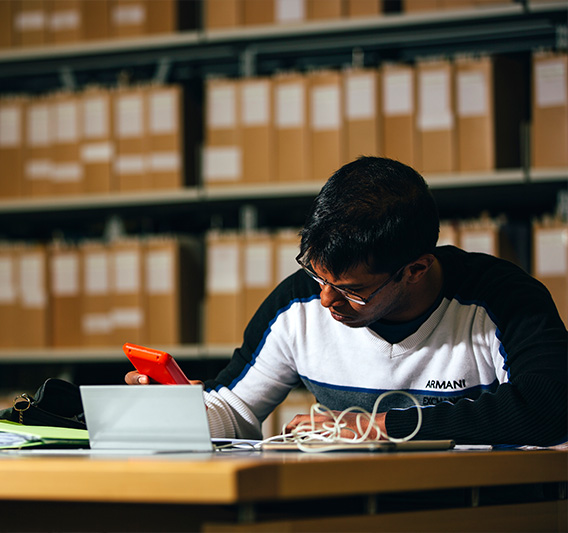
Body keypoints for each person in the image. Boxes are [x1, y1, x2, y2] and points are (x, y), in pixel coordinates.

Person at [126, 156, 567, 446]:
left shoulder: (502, 300)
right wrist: (175, 413)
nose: (325, 299)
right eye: (316, 274)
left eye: (354, 290)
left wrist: (380, 428)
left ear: (416, 269)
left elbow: (550, 405)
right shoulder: (297, 304)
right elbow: (236, 410)